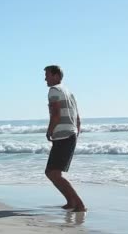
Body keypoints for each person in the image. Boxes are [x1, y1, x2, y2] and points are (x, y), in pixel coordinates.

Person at [43, 65, 86, 212]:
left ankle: (79, 204)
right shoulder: (68, 92)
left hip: (63, 135)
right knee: (55, 173)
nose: (45, 79)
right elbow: (78, 118)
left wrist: (49, 131)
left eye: (47, 75)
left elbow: (56, 114)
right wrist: (75, 133)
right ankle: (71, 202)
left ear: (56, 76)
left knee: (52, 173)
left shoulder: (54, 90)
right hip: (71, 134)